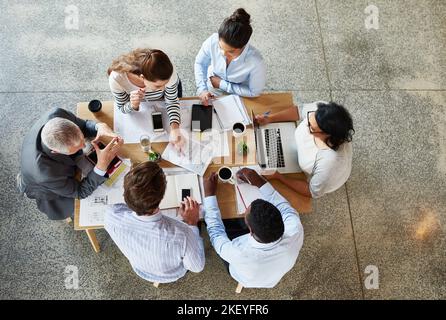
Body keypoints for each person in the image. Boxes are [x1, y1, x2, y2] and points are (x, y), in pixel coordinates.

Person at [104, 161, 205, 283]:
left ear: (125, 193)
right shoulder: (183, 234)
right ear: (162, 197)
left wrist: (136, 191)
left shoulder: (111, 215)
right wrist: (192, 223)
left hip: (140, 269)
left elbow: (121, 207)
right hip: (172, 274)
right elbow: (197, 267)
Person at [203, 168, 304, 288]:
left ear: (249, 230)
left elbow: (216, 233)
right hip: (273, 276)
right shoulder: (295, 229)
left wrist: (209, 195)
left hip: (244, 276)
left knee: (223, 223)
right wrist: (260, 182)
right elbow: (284, 207)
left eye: (246, 214)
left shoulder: (238, 253)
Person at [18, 108, 122, 220]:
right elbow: (80, 192)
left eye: (83, 140)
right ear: (56, 152)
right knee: (68, 206)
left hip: (42, 159)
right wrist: (101, 166)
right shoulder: (46, 175)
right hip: (42, 187)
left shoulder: (57, 114)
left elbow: (83, 125)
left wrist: (98, 126)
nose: (84, 146)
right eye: (77, 147)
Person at [255, 101, 354, 198]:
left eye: (312, 128)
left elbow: (312, 191)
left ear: (327, 135)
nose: (306, 126)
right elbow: (299, 111)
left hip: (323, 176)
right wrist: (270, 119)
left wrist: (278, 176)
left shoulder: (329, 164)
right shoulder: (323, 112)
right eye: (309, 119)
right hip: (292, 147)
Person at [108, 48, 185, 151]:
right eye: (158, 86)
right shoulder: (117, 79)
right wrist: (132, 105)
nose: (164, 89)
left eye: (166, 84)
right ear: (142, 77)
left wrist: (175, 128)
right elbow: (122, 108)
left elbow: (171, 100)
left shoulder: (167, 72)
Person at [194, 8, 266, 106]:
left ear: (243, 46)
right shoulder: (212, 41)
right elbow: (200, 63)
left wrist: (222, 84)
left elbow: (254, 92)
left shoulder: (256, 62)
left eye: (231, 52)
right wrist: (202, 89)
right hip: (212, 87)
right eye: (220, 47)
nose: (223, 53)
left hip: (239, 94)